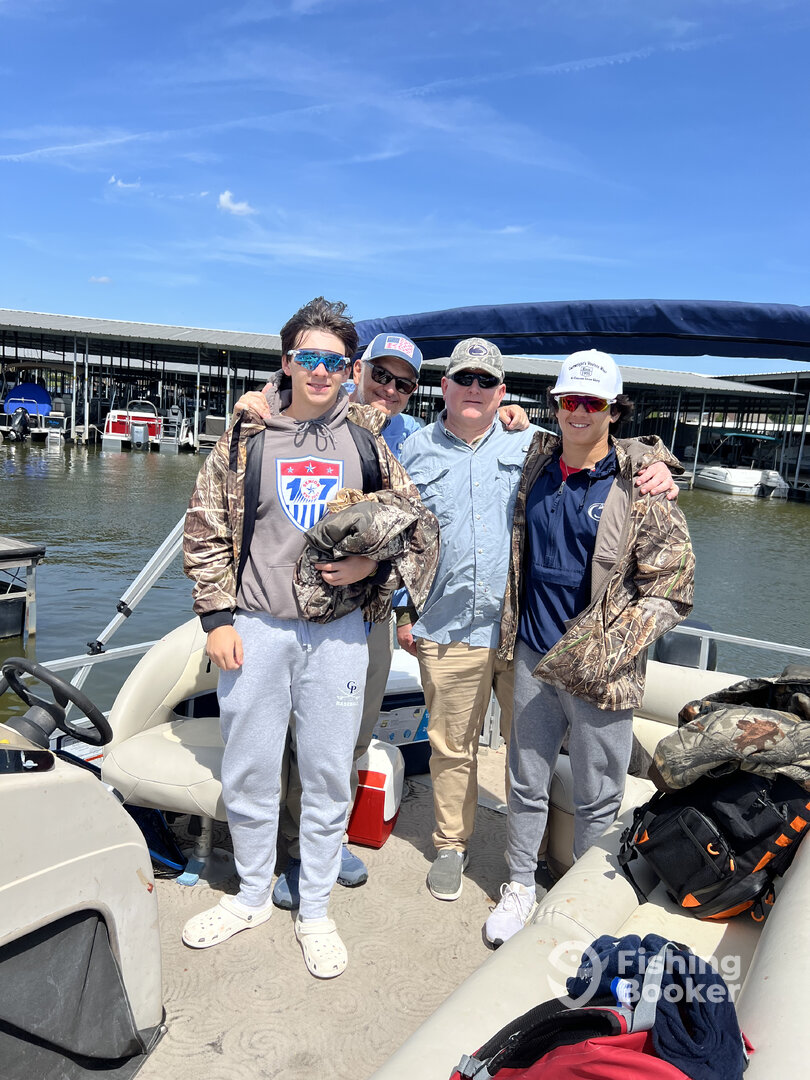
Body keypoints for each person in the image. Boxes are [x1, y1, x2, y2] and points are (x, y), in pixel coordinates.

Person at [181, 298, 436, 979]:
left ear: (349, 371)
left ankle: (316, 909)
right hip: (257, 629)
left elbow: (416, 525)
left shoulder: (369, 442)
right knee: (250, 769)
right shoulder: (246, 436)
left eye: (335, 361)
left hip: (340, 635)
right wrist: (217, 619)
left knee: (326, 773)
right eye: (310, 357)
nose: (321, 371)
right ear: (287, 362)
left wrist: (372, 567)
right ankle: (251, 895)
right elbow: (205, 529)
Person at [232, 332, 530, 908]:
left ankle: (327, 839)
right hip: (281, 613)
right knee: (289, 739)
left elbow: (407, 532)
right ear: (357, 371)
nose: (390, 389)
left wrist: (382, 581)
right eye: (382, 376)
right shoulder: (295, 414)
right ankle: (286, 848)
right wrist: (262, 395)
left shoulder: (407, 438)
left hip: (366, 615)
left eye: (404, 383)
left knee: (346, 735)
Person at [397, 340, 680, 903]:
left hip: (522, 633)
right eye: (464, 378)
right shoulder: (414, 450)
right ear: (444, 386)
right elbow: (397, 534)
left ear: (503, 392)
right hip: (448, 626)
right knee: (452, 747)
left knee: (535, 759)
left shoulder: (531, 444)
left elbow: (609, 449)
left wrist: (659, 464)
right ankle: (453, 846)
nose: (474, 388)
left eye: (486, 381)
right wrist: (404, 610)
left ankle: (550, 866)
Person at [485, 349, 695, 947]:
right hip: (533, 655)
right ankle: (520, 884)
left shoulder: (642, 486)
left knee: (598, 795)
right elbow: (499, 425)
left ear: (613, 411)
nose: (578, 413)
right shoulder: (536, 463)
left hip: (602, 672)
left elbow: (673, 589)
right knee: (524, 779)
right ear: (556, 405)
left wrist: (607, 648)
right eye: (569, 400)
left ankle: (581, 901)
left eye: (593, 403)